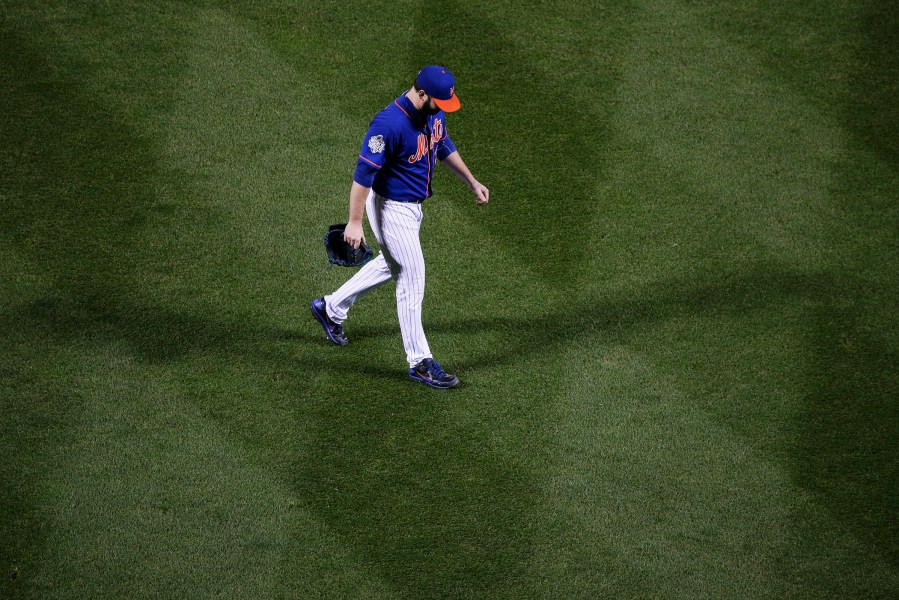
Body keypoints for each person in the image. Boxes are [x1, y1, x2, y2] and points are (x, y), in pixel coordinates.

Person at [310, 65, 489, 389]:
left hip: (412, 209)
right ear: (421, 94)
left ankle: (330, 307)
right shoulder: (388, 125)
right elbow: (363, 176)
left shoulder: (433, 112)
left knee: (393, 264)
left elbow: (443, 143)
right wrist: (354, 222)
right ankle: (420, 362)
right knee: (411, 277)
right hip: (389, 208)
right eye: (439, 102)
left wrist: (471, 181)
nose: (443, 109)